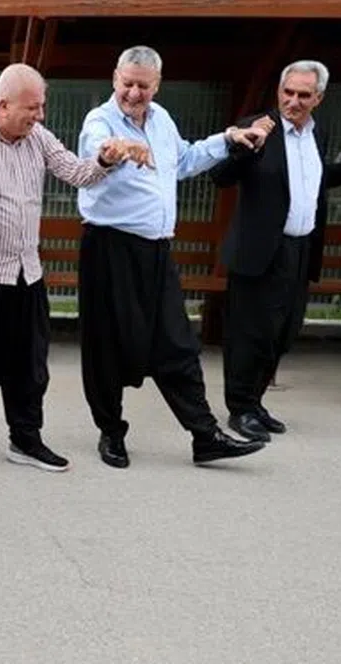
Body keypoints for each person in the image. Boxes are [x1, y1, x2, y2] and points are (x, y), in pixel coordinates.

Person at [75, 45, 271, 470]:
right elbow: (98, 152)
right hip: (110, 248)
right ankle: (111, 432)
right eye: (128, 83)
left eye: (143, 86)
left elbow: (183, 160)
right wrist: (116, 151)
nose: (134, 93)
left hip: (157, 250)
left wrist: (228, 139)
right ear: (115, 79)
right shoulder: (99, 121)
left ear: (157, 85)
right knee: (108, 344)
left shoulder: (162, 120)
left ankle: (205, 436)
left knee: (178, 342)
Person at [208, 60, 341, 441]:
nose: (294, 101)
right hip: (259, 251)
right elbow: (220, 177)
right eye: (288, 92)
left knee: (282, 333)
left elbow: (319, 179)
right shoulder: (257, 127)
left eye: (304, 95)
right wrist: (246, 146)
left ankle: (256, 401)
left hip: (300, 248)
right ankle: (240, 408)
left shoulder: (316, 133)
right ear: (279, 91)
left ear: (318, 98)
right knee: (250, 334)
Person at [0, 63, 114, 474]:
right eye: (32, 108)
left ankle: (25, 439)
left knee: (30, 363)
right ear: (3, 105)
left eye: (41, 106)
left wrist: (105, 159)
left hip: (25, 271)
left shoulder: (39, 138)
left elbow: (77, 172)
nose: (40, 115)